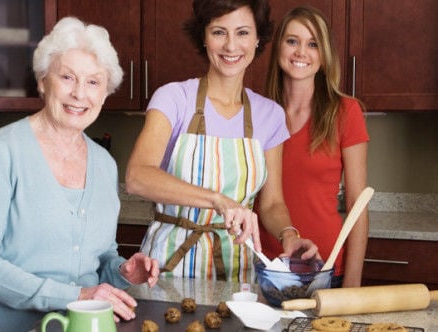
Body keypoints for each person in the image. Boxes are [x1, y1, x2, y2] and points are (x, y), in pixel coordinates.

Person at [0, 17, 159, 332]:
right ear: (42, 81)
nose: (80, 94)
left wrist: (123, 272)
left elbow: (100, 257)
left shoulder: (105, 164)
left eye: (93, 82)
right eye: (67, 77)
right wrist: (74, 295)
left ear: (106, 92)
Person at [125, 0, 318, 283]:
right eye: (219, 32)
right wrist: (218, 201)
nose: (231, 46)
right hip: (166, 268)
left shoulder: (270, 114)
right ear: (203, 37)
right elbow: (137, 177)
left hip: (237, 272)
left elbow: (272, 203)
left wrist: (289, 234)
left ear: (258, 39)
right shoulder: (173, 98)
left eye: (242, 33)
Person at [258, 6, 370, 287]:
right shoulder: (257, 113)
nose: (301, 52)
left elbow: (358, 204)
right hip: (267, 266)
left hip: (328, 266)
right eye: (292, 41)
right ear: (279, 47)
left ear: (324, 54)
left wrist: (353, 283)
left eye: (313, 44)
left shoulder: (346, 112)